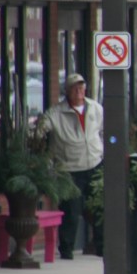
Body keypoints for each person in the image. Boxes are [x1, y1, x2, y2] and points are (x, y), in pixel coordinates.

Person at [38, 73, 104, 259]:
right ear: (67, 91)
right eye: (75, 87)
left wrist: (104, 150)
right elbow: (41, 128)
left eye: (81, 87)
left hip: (94, 164)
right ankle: (66, 249)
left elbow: (106, 131)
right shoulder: (56, 113)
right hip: (69, 169)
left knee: (99, 208)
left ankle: (102, 247)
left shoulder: (95, 108)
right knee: (71, 212)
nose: (79, 90)